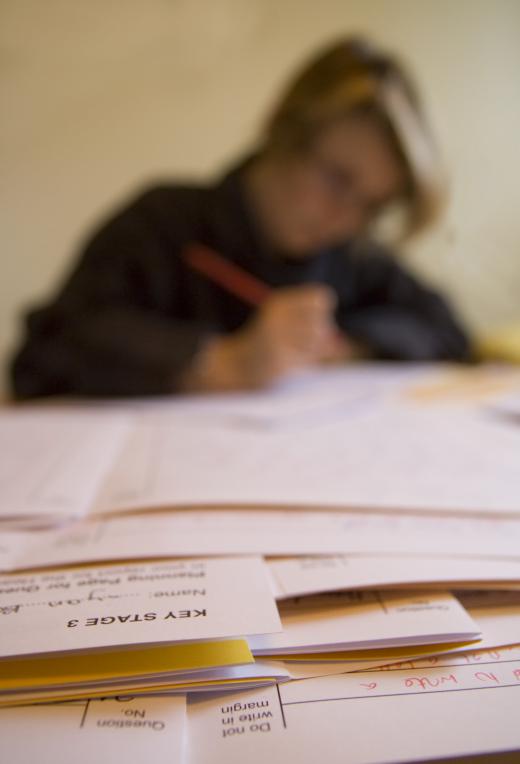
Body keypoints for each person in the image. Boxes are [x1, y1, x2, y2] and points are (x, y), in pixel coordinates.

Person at [10, 37, 471, 398]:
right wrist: (221, 360)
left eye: (372, 205)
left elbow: (446, 330)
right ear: (282, 131)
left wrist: (348, 345)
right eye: (337, 180)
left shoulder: (347, 256)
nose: (346, 218)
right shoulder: (162, 223)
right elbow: (44, 352)